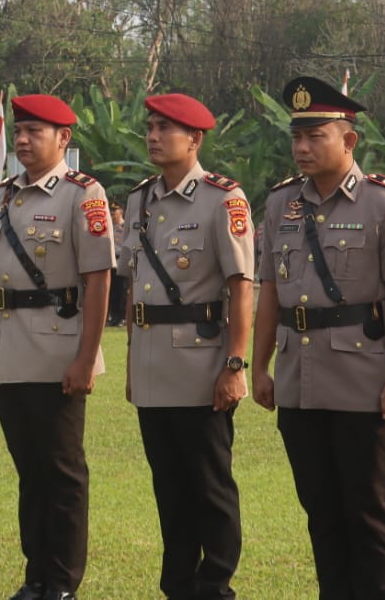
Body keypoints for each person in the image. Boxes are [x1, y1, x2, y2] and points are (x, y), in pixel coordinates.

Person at [252, 76, 385, 600]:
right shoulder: (282, 204)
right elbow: (269, 295)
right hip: (299, 380)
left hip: (362, 379)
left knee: (367, 510)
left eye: (315, 136)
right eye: (296, 137)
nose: (301, 148)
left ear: (349, 140)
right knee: (321, 511)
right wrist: (258, 367)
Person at [0, 94, 113, 600]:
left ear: (63, 138)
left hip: (59, 351)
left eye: (34, 132)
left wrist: (86, 357)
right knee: (28, 471)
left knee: (61, 472)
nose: (21, 141)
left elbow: (98, 280)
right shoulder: (1, 197)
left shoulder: (84, 194)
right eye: (19, 132)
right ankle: (35, 574)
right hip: (11, 348)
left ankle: (60, 581)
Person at [124, 93, 254, 600]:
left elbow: (242, 286)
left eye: (165, 129)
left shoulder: (223, 199)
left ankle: (216, 584)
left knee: (210, 487)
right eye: (151, 127)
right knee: (169, 490)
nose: (154, 136)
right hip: (154, 362)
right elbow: (135, 287)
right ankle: (178, 585)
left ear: (195, 139)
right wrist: (134, 364)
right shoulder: (139, 200)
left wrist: (235, 363)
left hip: (202, 365)